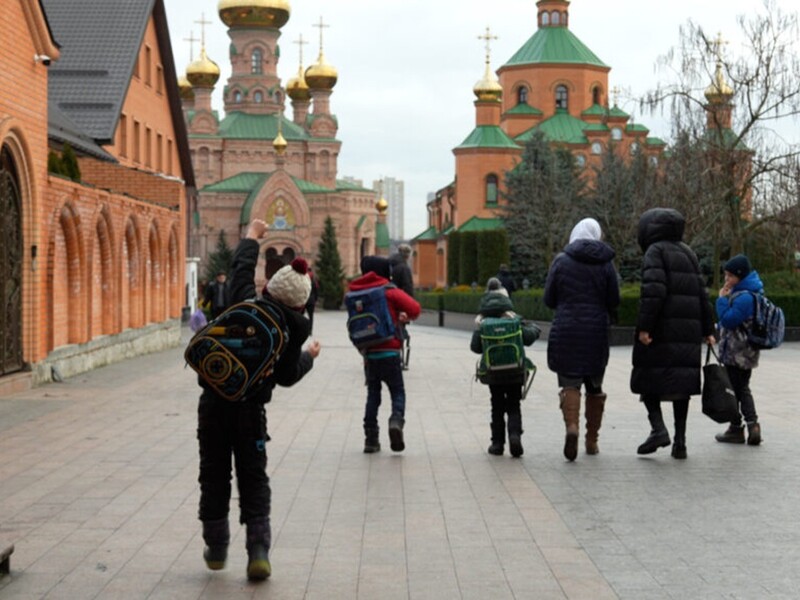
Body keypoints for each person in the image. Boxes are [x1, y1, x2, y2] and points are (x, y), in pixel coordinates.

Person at [196, 219, 321, 581]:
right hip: (251, 413)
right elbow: (286, 377)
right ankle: (259, 550)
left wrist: (251, 238)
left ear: (268, 287)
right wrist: (309, 356)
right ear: (300, 304)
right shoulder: (290, 333)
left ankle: (216, 547)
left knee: (213, 474)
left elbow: (240, 270)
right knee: (254, 478)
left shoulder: (244, 303)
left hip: (214, 404)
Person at [631, 208, 715, 460]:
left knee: (648, 378)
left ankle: (658, 429)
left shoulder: (655, 252)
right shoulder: (688, 252)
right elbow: (703, 293)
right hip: (687, 332)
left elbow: (653, 292)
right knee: (682, 387)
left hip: (662, 330)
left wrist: (644, 327)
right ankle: (680, 442)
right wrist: (709, 329)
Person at [544, 218, 620, 461]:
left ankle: (571, 428)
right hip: (596, 331)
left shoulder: (561, 261)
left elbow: (549, 298)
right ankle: (592, 440)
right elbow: (614, 299)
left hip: (566, 330)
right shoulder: (606, 264)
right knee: (594, 386)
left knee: (570, 383)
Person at [350, 255, 420, 453]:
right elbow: (415, 308)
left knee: (373, 395)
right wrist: (403, 315)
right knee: (397, 390)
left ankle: (371, 440)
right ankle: (396, 421)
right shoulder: (389, 291)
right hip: (389, 350)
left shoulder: (356, 291)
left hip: (368, 352)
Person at [470, 278, 539, 457]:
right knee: (514, 404)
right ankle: (515, 436)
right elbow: (529, 337)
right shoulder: (512, 318)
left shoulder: (482, 321)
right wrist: (535, 328)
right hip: (515, 370)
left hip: (493, 373)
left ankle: (497, 444)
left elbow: (475, 347)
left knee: (497, 406)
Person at [713, 254, 763, 445]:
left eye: (730, 276)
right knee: (741, 388)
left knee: (736, 390)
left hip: (737, 352)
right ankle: (748, 426)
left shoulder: (744, 297)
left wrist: (722, 300)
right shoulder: (752, 292)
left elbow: (729, 319)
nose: (727, 280)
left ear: (740, 276)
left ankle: (741, 427)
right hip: (747, 352)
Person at [305, 268, 319, 334]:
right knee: (311, 316)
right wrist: (315, 300)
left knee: (301, 316)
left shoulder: (304, 280)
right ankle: (310, 330)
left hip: (304, 300)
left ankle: (304, 329)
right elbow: (316, 292)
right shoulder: (314, 281)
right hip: (311, 301)